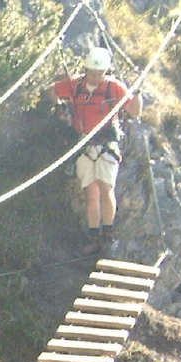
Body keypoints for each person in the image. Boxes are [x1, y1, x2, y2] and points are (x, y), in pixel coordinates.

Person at [48, 44, 141, 254]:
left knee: (106, 189)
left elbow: (135, 112)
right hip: (85, 144)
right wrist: (60, 106)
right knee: (91, 194)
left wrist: (137, 94)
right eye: (93, 73)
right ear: (86, 69)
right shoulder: (75, 85)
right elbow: (52, 90)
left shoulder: (113, 87)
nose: (97, 77)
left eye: (101, 73)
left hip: (106, 145)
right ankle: (94, 238)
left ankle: (108, 235)